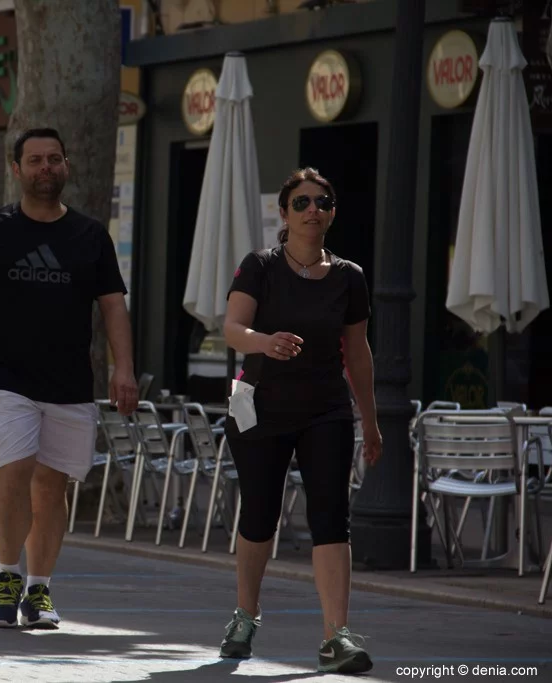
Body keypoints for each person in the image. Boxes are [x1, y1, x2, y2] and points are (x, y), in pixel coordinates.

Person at [0, 128, 138, 630]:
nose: (44, 167)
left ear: (67, 165)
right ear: (16, 169)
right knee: (14, 470)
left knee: (51, 489)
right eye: (34, 160)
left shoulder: (91, 236)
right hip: (4, 377)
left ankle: (39, 589)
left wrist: (125, 371)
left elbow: (113, 306)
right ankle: (8, 576)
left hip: (70, 381)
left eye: (53, 158)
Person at [219, 168, 380, 674]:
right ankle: (246, 614)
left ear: (332, 212)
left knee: (332, 517)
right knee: (260, 516)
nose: (314, 208)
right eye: (303, 201)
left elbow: (358, 352)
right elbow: (231, 328)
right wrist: (264, 341)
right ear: (285, 214)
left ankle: (337, 636)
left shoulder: (349, 277)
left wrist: (370, 423)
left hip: (326, 409)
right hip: (258, 404)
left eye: (324, 201)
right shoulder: (261, 266)